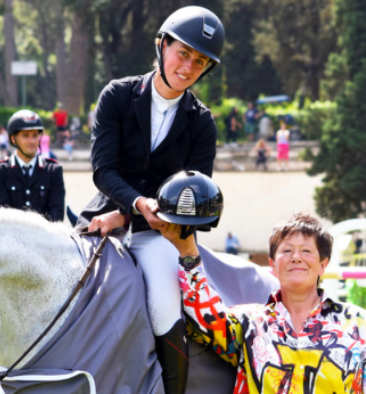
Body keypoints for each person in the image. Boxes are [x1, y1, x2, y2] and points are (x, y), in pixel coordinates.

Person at [77, 7, 225, 394]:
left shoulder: (201, 122)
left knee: (164, 302)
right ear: (162, 45)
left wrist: (128, 218)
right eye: (183, 53)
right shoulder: (118, 95)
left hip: (157, 233)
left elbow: (194, 201)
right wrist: (132, 205)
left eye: (200, 61)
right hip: (100, 216)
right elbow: (103, 171)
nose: (189, 66)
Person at [159, 209, 366, 394]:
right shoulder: (250, 323)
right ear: (272, 265)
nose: (296, 258)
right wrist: (188, 251)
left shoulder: (357, 322)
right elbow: (204, 318)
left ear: (323, 265)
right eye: (286, 251)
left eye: (306, 251)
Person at [0, 110, 65, 222]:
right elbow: (2, 218)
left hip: (46, 238)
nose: (32, 141)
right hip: (11, 238)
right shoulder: (0, 172)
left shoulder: (53, 170)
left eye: (35, 135)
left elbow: (56, 215)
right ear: (13, 139)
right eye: (25, 136)